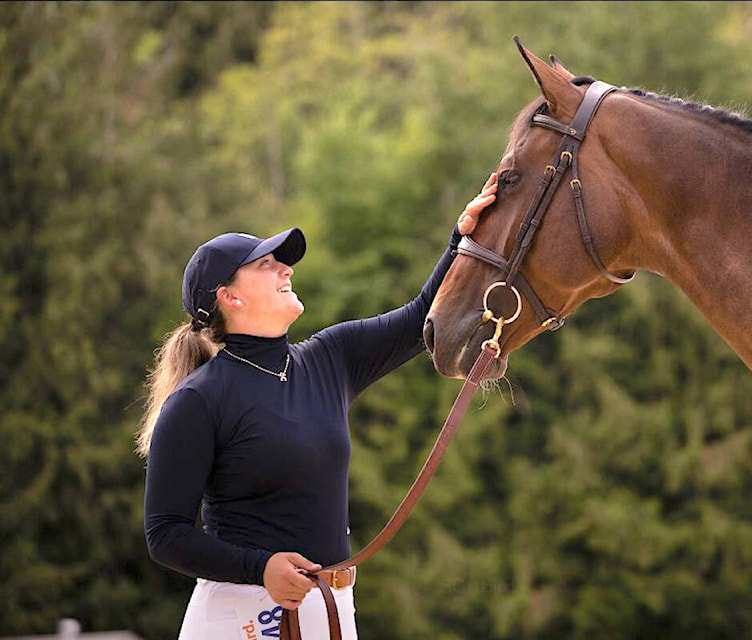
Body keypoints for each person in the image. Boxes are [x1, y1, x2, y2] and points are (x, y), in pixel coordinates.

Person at [137, 173, 497, 639]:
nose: (286, 270)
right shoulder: (197, 400)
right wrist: (260, 567)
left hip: (331, 605)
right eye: (266, 264)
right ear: (230, 296)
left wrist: (463, 239)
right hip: (242, 615)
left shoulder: (332, 356)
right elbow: (165, 534)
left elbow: (421, 314)